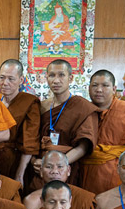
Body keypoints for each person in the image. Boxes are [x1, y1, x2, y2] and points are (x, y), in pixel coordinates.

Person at [32, 59, 99, 190]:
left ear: (71, 78)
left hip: (68, 167)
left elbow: (84, 146)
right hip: (41, 169)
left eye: (61, 75)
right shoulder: (42, 107)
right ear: (46, 78)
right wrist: (34, 161)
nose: (56, 80)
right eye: (51, 75)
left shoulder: (83, 107)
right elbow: (31, 139)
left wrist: (57, 165)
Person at [81, 70, 125, 194]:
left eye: (105, 85)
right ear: (88, 88)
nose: (99, 89)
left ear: (114, 89)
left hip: (116, 173)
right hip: (84, 171)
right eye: (94, 85)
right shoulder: (82, 110)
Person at [0, 59, 41, 186]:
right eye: (2, 78)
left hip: (15, 161)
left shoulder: (29, 102)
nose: (5, 83)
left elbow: (29, 141)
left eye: (11, 79)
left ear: (21, 80)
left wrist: (19, 173)